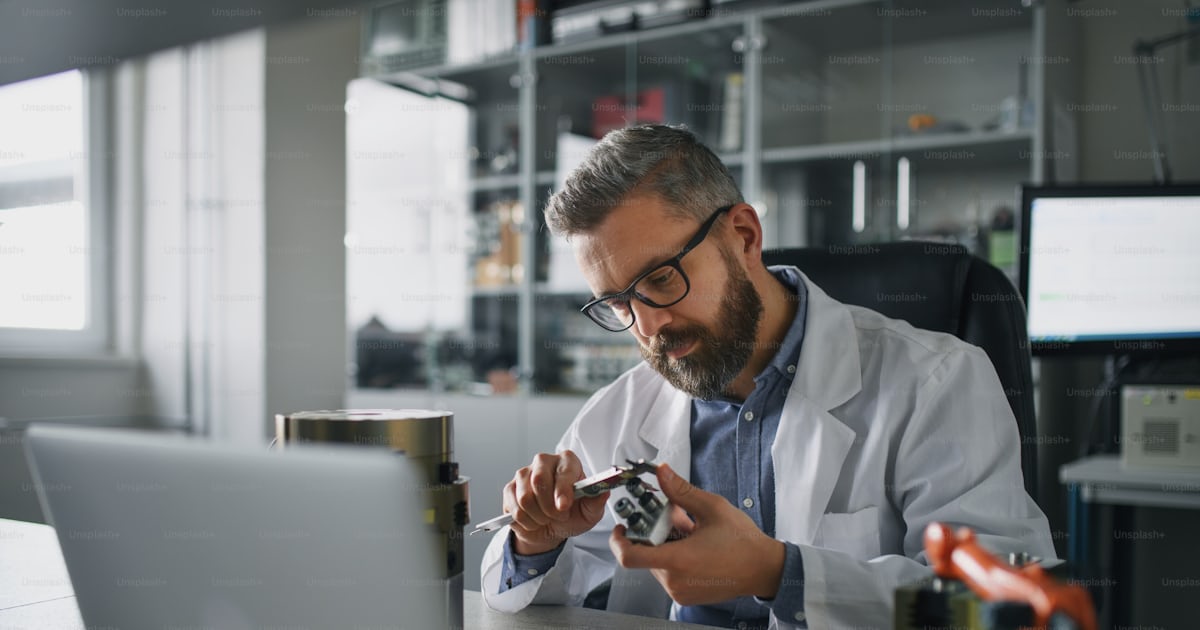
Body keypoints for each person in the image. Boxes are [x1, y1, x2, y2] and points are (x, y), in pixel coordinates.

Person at [480, 124, 1055, 629]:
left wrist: (781, 574)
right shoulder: (623, 409)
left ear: (744, 236)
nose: (648, 327)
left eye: (662, 278)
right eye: (617, 302)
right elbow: (532, 594)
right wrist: (535, 542)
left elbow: (1001, 605)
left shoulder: (936, 381)